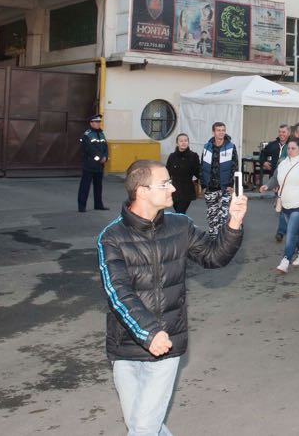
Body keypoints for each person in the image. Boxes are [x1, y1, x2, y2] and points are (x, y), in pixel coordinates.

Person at [98, 160, 247, 436]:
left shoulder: (180, 226)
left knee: (143, 427)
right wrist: (148, 333)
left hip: (167, 343)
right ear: (142, 191)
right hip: (126, 347)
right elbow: (118, 292)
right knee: (141, 424)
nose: (174, 187)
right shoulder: (112, 238)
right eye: (165, 183)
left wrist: (234, 222)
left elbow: (214, 256)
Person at [260, 137, 299, 274]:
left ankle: (285, 261)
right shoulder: (282, 164)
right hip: (286, 203)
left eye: (293, 148)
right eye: (288, 148)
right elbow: (275, 178)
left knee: (291, 231)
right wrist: (267, 186)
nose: (290, 150)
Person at [200, 122, 239, 235]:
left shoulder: (231, 147)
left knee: (223, 216)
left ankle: (222, 239)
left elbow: (235, 167)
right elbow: (202, 166)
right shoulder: (207, 146)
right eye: (218, 130)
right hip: (210, 187)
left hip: (225, 188)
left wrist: (232, 185)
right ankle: (213, 239)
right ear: (213, 132)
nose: (221, 132)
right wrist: (203, 185)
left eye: (223, 130)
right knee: (212, 216)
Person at [261, 124, 291, 242]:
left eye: (284, 132)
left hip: (289, 180)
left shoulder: (292, 146)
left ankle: (283, 231)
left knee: (286, 206)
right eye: (280, 132)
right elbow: (263, 153)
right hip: (275, 179)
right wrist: (264, 162)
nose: (281, 134)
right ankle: (282, 231)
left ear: (288, 133)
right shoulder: (273, 145)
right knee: (281, 206)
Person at [78, 114, 109, 212]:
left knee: (98, 186)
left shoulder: (101, 133)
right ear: (91, 123)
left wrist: (105, 157)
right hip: (89, 165)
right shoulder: (87, 135)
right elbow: (89, 149)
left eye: (99, 122)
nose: (98, 123)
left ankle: (98, 204)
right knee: (85, 186)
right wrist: (100, 158)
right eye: (96, 122)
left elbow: (105, 147)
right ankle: (82, 206)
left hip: (99, 166)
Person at [165, 133, 200, 214]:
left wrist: (203, 183)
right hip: (174, 190)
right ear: (177, 143)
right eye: (181, 141)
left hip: (187, 190)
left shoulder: (193, 156)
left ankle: (180, 225)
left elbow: (198, 172)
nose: (183, 142)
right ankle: (181, 225)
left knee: (180, 212)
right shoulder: (172, 156)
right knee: (178, 212)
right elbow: (167, 173)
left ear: (188, 142)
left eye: (185, 140)